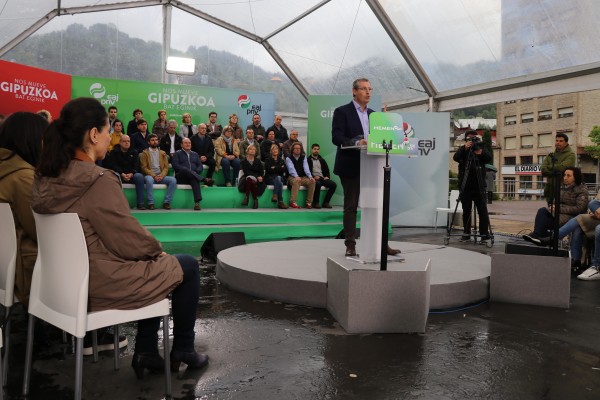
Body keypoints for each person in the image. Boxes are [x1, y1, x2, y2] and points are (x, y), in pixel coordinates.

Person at [32, 97, 207, 376]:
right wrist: (156, 249)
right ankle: (183, 347)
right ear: (92, 135)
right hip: (99, 284)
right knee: (185, 264)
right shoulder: (97, 178)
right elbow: (127, 240)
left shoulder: (46, 178)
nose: (109, 138)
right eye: (106, 132)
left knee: (150, 264)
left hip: (62, 284)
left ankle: (147, 352)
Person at [331, 77, 401, 257]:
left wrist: (387, 125)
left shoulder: (374, 115)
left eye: (370, 89)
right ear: (354, 91)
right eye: (364, 89)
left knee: (378, 205)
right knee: (351, 206)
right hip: (351, 165)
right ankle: (350, 245)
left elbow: (380, 138)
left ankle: (381, 244)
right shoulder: (342, 111)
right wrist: (356, 141)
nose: (368, 92)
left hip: (373, 165)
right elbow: (336, 137)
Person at [0, 111, 48, 304]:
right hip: (25, 271)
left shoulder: (7, 169)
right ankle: (94, 332)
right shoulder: (23, 177)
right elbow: (41, 232)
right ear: (33, 140)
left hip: (5, 267)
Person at [522, 167, 588, 245]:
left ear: (575, 177)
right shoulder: (563, 187)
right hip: (558, 213)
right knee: (542, 211)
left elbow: (580, 208)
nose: (565, 178)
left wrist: (559, 209)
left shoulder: (581, 190)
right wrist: (553, 206)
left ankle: (540, 237)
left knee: (545, 220)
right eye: (564, 175)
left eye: (568, 176)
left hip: (572, 217)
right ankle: (538, 235)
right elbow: (555, 201)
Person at [452, 129, 492, 243]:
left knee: (483, 210)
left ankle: (484, 234)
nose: (472, 141)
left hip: (479, 185)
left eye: (474, 138)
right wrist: (465, 148)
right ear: (466, 140)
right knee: (466, 210)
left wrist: (480, 152)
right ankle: (466, 233)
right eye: (469, 139)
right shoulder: (463, 149)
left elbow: (489, 158)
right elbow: (455, 157)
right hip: (466, 186)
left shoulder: (480, 148)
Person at [171, 138, 214, 211]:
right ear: (182, 145)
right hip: (181, 177)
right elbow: (175, 165)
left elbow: (200, 166)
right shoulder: (177, 153)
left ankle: (197, 203)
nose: (188, 144)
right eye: (186, 143)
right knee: (185, 169)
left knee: (194, 179)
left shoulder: (195, 154)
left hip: (192, 176)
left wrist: (195, 172)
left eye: (189, 143)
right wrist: (189, 171)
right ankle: (203, 179)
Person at [105, 135, 146, 210]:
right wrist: (122, 173)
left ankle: (140, 203)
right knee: (113, 176)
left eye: (128, 141)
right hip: (119, 174)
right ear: (120, 142)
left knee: (139, 177)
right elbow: (112, 165)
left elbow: (136, 165)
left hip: (131, 175)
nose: (127, 143)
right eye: (124, 141)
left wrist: (132, 173)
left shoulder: (134, 152)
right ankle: (117, 205)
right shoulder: (114, 152)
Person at [140, 134, 177, 210]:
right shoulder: (144, 153)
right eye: (152, 140)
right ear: (149, 142)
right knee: (149, 180)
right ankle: (151, 203)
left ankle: (167, 202)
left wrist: (161, 175)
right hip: (150, 176)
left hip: (161, 176)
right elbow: (144, 168)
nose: (155, 142)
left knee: (173, 180)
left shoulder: (163, 153)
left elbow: (166, 167)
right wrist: (154, 175)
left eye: (156, 140)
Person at [541, 132, 576, 205]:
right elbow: (543, 169)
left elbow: (562, 168)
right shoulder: (551, 155)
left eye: (561, 141)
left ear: (566, 143)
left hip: (563, 190)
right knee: (549, 213)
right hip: (550, 190)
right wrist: (554, 172)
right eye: (557, 140)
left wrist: (550, 166)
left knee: (560, 214)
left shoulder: (571, 155)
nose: (558, 143)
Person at [285, 142, 316, 209]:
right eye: (296, 148)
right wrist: (296, 176)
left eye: (299, 148)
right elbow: (291, 169)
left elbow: (306, 168)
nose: (297, 150)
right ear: (292, 149)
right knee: (296, 181)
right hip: (292, 177)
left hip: (303, 177)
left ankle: (309, 203)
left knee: (312, 181)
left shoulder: (303, 157)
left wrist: (310, 177)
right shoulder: (288, 158)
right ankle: (292, 202)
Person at [307, 143, 336, 209]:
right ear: (312, 150)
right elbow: (306, 171)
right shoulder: (308, 160)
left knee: (333, 185)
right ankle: (316, 203)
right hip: (313, 178)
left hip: (322, 178)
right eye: (315, 149)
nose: (316, 150)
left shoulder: (322, 160)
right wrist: (313, 177)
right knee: (318, 184)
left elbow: (327, 169)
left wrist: (327, 176)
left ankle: (326, 202)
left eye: (317, 149)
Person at [238, 145, 265, 209]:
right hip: (246, 177)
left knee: (251, 180)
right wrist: (256, 176)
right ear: (247, 151)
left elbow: (261, 172)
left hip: (257, 178)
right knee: (250, 179)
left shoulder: (258, 161)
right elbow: (247, 172)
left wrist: (260, 177)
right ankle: (255, 200)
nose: (252, 150)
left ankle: (246, 198)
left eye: (254, 149)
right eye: (251, 149)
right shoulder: (243, 161)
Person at [264, 144, 288, 209]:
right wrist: (279, 168)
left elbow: (284, 170)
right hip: (270, 178)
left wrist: (274, 168)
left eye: (276, 149)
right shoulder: (267, 160)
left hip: (279, 177)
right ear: (271, 151)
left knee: (279, 178)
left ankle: (275, 194)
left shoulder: (281, 160)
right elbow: (269, 170)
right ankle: (280, 202)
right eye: (273, 149)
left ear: (278, 151)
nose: (275, 150)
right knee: (280, 182)